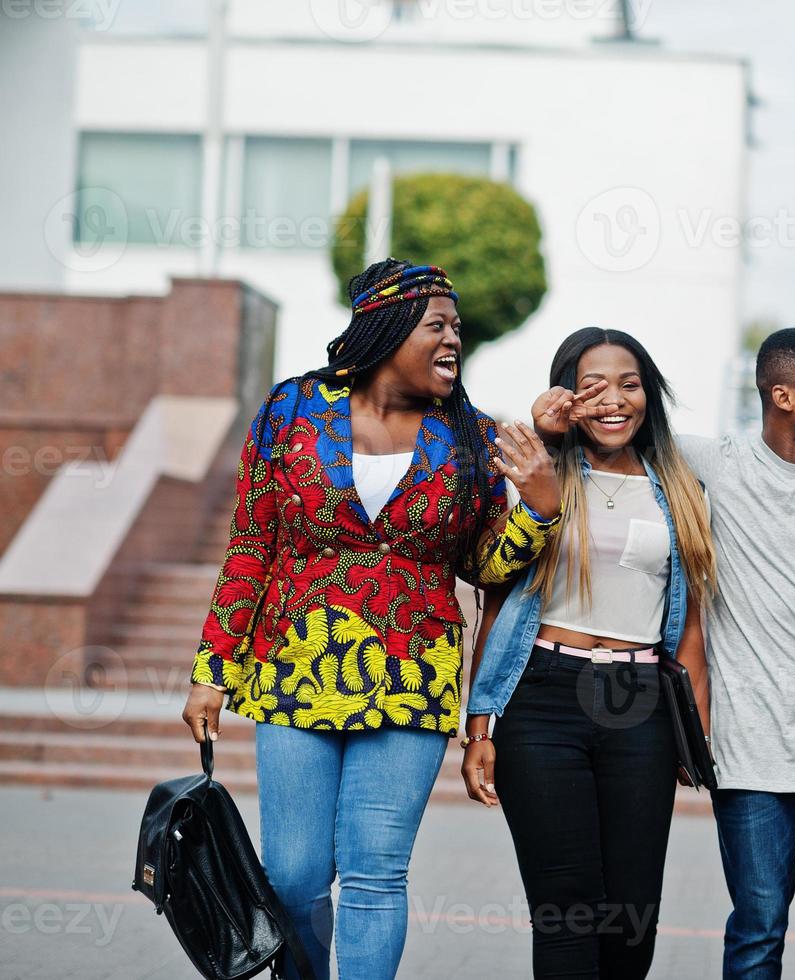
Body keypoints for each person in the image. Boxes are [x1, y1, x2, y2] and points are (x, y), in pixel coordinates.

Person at [180, 259, 562, 980]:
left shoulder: (470, 436)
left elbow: (482, 566)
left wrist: (537, 508)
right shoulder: (291, 410)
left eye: (458, 326)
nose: (456, 338)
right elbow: (252, 543)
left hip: (411, 676)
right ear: (385, 329)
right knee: (291, 877)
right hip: (294, 666)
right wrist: (212, 670)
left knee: (374, 874)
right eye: (438, 325)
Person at [534, 327, 795, 978]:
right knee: (758, 923)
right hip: (746, 748)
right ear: (783, 396)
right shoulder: (714, 463)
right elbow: (619, 423)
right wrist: (551, 420)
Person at [462, 327, 716, 979]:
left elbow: (688, 629)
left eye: (629, 384)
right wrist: (479, 723)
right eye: (592, 385)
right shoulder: (538, 471)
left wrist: (698, 737)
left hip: (640, 707)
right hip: (542, 696)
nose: (613, 400)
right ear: (565, 396)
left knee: (632, 917)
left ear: (648, 395)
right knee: (566, 912)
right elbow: (493, 593)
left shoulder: (679, 486)